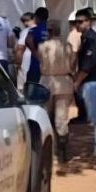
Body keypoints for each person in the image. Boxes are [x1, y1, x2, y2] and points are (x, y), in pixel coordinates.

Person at [73, 8, 96, 157]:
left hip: (94, 81)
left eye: (80, 22)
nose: (78, 25)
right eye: (76, 22)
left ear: (88, 22)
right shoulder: (85, 38)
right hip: (93, 81)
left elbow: (87, 66)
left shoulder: (92, 39)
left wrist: (77, 82)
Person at [38, 24, 76, 163]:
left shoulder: (43, 46)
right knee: (62, 118)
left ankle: (50, 149)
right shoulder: (68, 47)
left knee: (46, 117)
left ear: (50, 31)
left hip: (47, 82)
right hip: (64, 82)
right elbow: (73, 64)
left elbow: (40, 60)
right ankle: (62, 151)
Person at [67, 10, 88, 124]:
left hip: (75, 67)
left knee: (77, 91)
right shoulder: (81, 34)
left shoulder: (73, 35)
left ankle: (82, 115)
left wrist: (71, 69)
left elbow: (74, 53)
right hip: (82, 65)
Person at [24, 7, 49, 85]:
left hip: (35, 63)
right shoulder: (51, 31)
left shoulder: (34, 30)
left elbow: (28, 40)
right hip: (48, 64)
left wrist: (33, 51)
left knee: (32, 86)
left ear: (36, 17)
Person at [15, 12, 36, 91]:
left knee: (22, 90)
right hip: (37, 65)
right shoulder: (41, 30)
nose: (25, 23)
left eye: (26, 21)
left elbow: (19, 48)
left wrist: (17, 63)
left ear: (33, 19)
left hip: (26, 64)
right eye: (23, 21)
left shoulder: (26, 31)